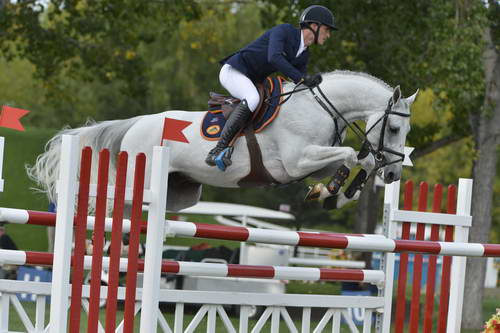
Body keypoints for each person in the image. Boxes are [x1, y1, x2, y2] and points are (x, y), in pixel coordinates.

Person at [205, 5, 337, 168]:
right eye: (327, 29)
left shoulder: (304, 53)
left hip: (253, 79)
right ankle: (218, 149)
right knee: (252, 98)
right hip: (235, 71)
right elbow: (274, 57)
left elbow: (299, 82)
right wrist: (303, 78)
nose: (328, 35)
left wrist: (312, 85)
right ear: (314, 26)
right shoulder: (284, 31)